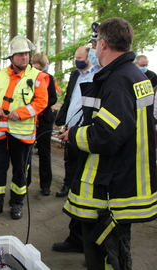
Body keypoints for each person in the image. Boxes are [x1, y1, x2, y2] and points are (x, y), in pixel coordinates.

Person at [59, 18, 157, 269]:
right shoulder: (133, 75)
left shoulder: (119, 80)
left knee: (109, 257)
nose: (92, 48)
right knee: (113, 252)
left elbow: (106, 136)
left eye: (94, 43)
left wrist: (73, 136)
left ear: (102, 44)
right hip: (122, 179)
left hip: (112, 188)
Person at [0, 36, 48, 220]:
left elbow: (41, 101)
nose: (25, 58)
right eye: (20, 55)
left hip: (22, 134)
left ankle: (16, 204)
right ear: (11, 57)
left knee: (20, 172)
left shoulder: (37, 76)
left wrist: (21, 112)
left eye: (26, 54)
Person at [54, 46, 95, 197]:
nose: (76, 61)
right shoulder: (74, 75)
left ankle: (79, 189)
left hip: (85, 126)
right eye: (75, 58)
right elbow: (69, 98)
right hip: (71, 123)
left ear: (89, 58)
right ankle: (67, 185)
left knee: (82, 160)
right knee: (69, 158)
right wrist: (63, 119)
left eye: (79, 58)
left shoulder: (96, 74)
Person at [31, 52, 57, 196]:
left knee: (44, 153)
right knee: (26, 153)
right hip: (28, 119)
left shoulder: (49, 78)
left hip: (44, 119)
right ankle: (24, 182)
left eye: (40, 69)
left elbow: (53, 98)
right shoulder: (27, 76)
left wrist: (41, 104)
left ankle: (45, 184)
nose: (38, 72)